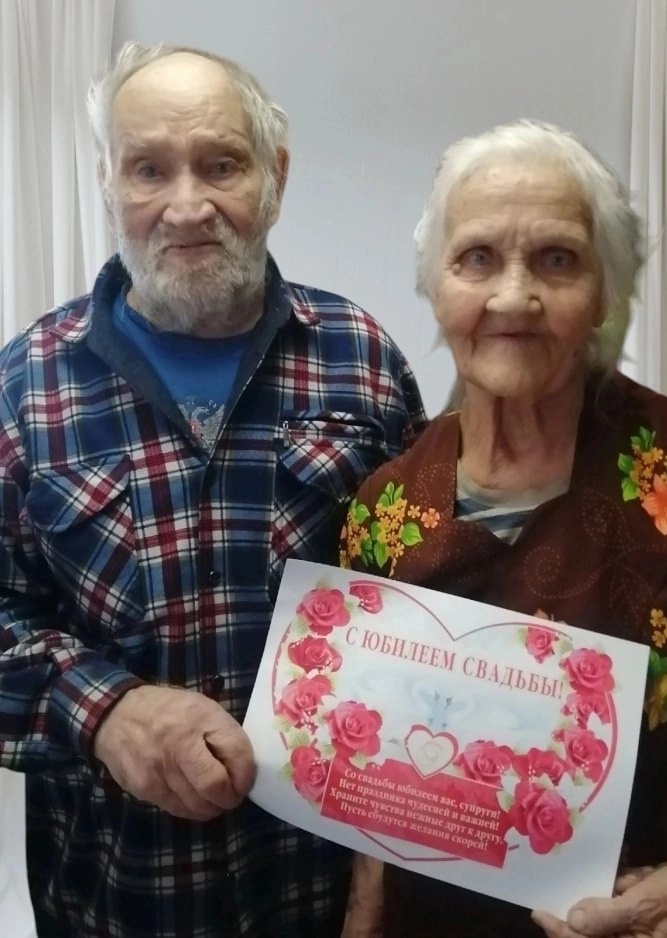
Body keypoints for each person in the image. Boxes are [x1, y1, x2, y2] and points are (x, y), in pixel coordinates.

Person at [0, 41, 426, 938]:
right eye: (148, 169)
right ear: (109, 184)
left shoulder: (363, 361)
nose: (187, 205)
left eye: (221, 164)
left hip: (322, 898)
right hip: (119, 902)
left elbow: (423, 604)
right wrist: (106, 709)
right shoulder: (23, 387)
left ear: (276, 177)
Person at [340, 120, 667, 937]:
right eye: (477, 258)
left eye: (557, 260)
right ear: (436, 288)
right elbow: (373, 768)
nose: (514, 298)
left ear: (604, 293)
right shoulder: (384, 507)